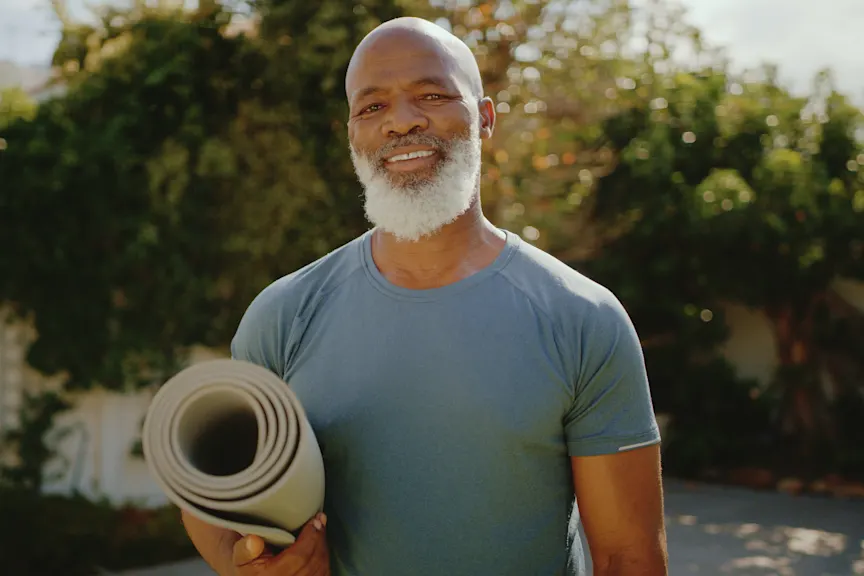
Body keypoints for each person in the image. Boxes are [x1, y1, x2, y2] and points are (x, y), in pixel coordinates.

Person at [181, 16, 668, 576]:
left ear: (484, 119)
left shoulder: (584, 317)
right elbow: (210, 488)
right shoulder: (283, 314)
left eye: (432, 95)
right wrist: (245, 563)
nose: (401, 123)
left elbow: (628, 557)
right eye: (372, 108)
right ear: (353, 136)